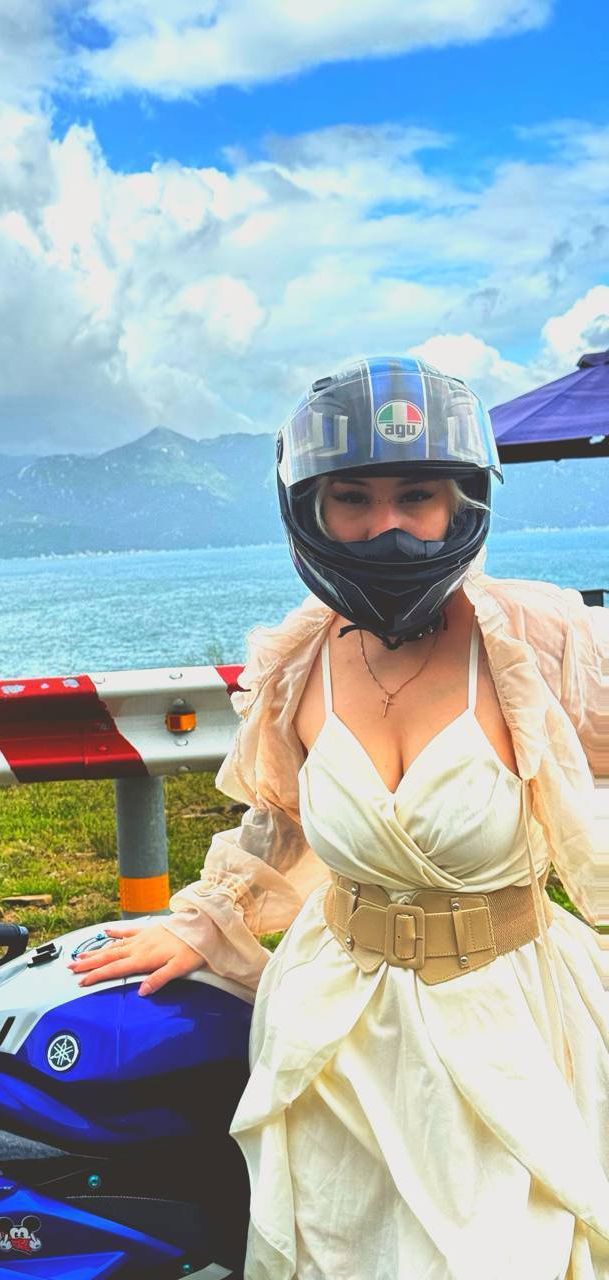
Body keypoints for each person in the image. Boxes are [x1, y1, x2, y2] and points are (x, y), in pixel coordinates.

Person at [69, 356, 609, 1280]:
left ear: (462, 504)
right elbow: (279, 824)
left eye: (416, 496)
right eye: (352, 497)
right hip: (337, 1031)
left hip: (512, 1021)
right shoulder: (298, 660)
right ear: (309, 509)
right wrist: (203, 922)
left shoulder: (543, 643)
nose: (385, 526)